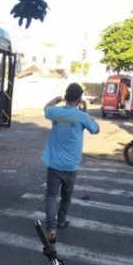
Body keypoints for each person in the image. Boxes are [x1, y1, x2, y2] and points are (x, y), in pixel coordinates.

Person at [41, 83, 100, 243]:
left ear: (66, 96)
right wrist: (89, 117)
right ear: (80, 98)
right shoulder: (82, 116)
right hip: (71, 165)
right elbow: (96, 130)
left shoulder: (56, 112)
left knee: (51, 196)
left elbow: (46, 108)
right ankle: (61, 220)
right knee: (67, 195)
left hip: (54, 164)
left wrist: (56, 99)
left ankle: (51, 228)